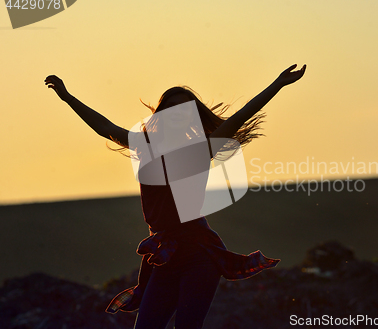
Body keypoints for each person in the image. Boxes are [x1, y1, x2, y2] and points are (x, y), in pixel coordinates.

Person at [44, 64, 306, 329]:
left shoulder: (201, 150)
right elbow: (104, 126)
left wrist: (278, 84)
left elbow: (239, 118)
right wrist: (68, 98)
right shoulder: (144, 147)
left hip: (199, 254)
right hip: (165, 253)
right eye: (172, 108)